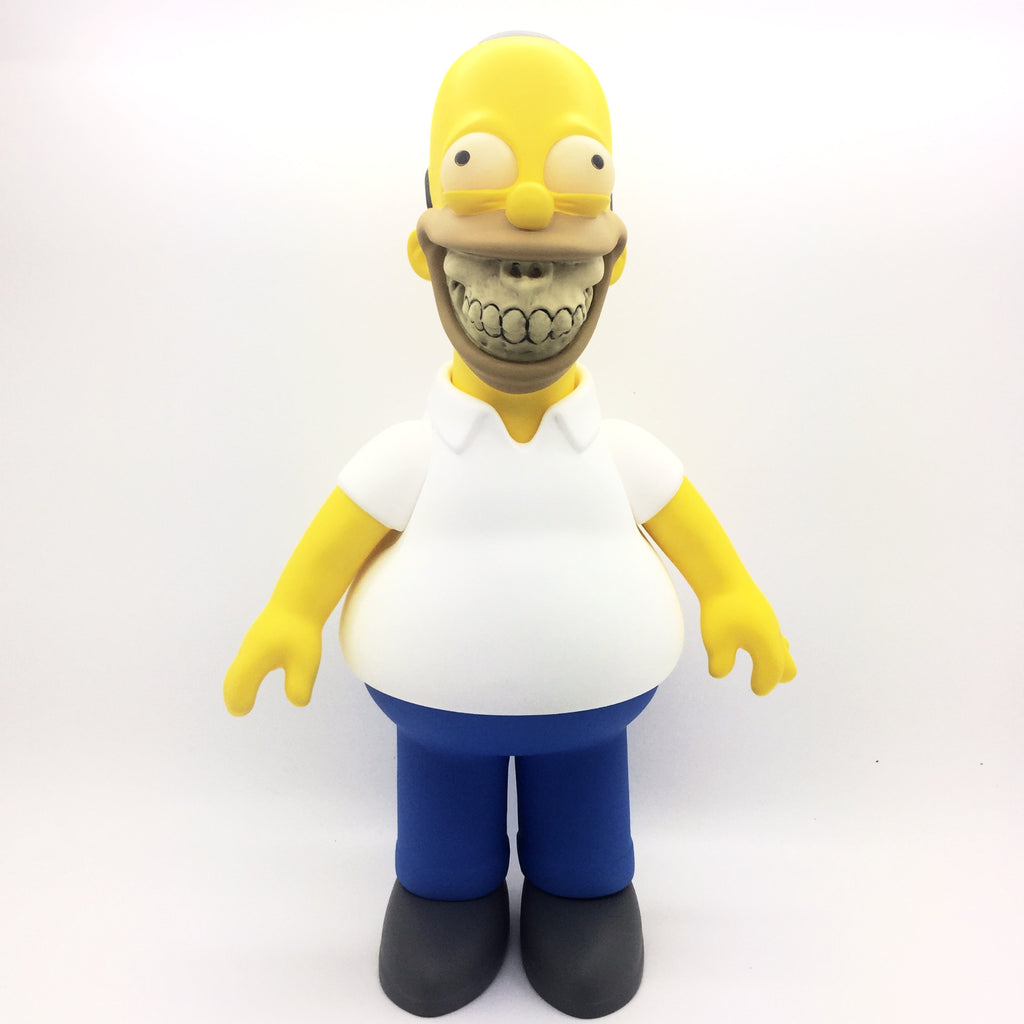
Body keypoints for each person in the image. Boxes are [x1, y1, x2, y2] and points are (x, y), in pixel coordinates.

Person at [225, 33, 796, 1019]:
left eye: (556, 261)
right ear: (428, 256)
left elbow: (693, 537)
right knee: (442, 849)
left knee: (586, 841)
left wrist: (731, 596)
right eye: (490, 258)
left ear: (611, 264)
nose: (523, 282)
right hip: (434, 715)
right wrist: (290, 616)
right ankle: (445, 898)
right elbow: (333, 543)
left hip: (593, 714)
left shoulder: (623, 454)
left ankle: (584, 894)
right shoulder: (409, 456)